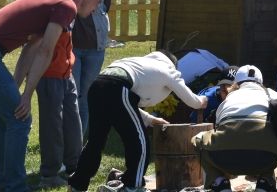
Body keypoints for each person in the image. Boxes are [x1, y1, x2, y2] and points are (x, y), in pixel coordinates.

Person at [0, 0, 103, 192]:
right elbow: (45, 52)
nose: (96, 8)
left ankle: (4, 181)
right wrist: (26, 95)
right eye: (97, 1)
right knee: (20, 119)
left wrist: (17, 87)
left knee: (5, 115)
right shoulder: (67, 6)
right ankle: (14, 186)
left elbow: (32, 47)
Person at [69, 50, 208, 192]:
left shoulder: (137, 62)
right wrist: (202, 100)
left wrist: (149, 119)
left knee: (95, 142)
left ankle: (77, 184)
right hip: (118, 87)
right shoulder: (168, 69)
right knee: (139, 140)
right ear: (173, 64)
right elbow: (192, 100)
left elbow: (126, 102)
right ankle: (133, 185)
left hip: (98, 86)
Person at [42, 0, 114, 134]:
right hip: (68, 45)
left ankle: (80, 142)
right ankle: (70, 140)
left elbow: (105, 6)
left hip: (95, 45)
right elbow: (47, 0)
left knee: (87, 95)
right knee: (70, 95)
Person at [193, 65, 277, 192]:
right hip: (266, 159)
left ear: (236, 83)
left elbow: (220, 128)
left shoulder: (228, 98)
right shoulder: (271, 94)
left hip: (226, 161)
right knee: (273, 141)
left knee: (197, 140)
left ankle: (219, 182)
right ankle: (265, 182)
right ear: (261, 82)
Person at [34, 29, 82, 189]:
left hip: (66, 72)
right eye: (97, 2)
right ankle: (49, 175)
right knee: (52, 126)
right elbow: (38, 44)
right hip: (49, 73)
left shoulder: (72, 11)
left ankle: (74, 167)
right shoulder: (61, 8)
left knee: (73, 122)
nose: (98, 7)